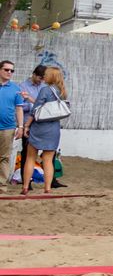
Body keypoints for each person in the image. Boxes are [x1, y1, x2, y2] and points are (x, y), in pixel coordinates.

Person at [22, 66, 67, 195]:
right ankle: (47, 188)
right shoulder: (62, 91)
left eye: (46, 74)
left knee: (30, 157)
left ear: (51, 76)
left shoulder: (45, 90)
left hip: (39, 127)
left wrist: (27, 126)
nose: (44, 76)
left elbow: (35, 109)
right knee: (48, 160)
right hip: (53, 128)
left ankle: (25, 187)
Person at [16, 64, 45, 192]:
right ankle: (26, 180)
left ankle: (51, 179)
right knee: (27, 152)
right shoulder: (23, 86)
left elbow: (45, 105)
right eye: (39, 77)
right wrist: (35, 104)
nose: (40, 81)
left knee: (47, 151)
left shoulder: (44, 87)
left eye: (43, 78)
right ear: (33, 74)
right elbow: (21, 107)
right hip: (29, 121)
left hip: (42, 123)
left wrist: (33, 102)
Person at [0, 60, 22, 185]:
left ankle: (2, 185)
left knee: (4, 157)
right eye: (6, 69)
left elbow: (19, 108)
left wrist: (20, 126)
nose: (9, 72)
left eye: (12, 70)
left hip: (8, 128)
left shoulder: (16, 88)